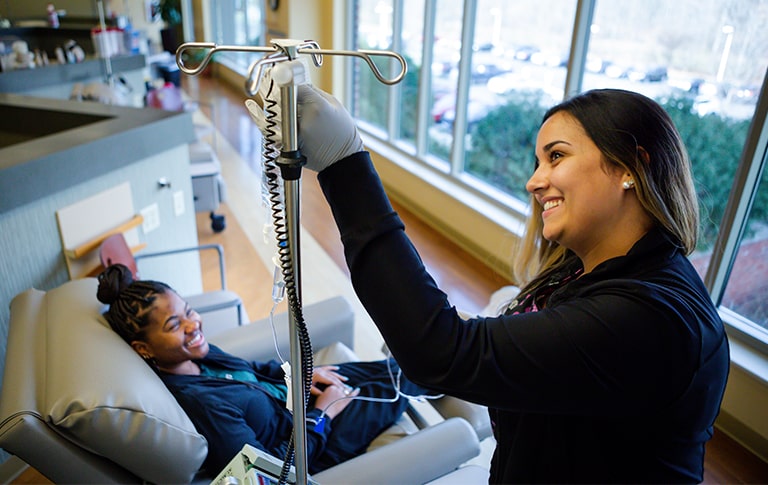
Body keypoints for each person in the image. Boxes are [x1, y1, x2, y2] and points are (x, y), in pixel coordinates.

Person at [246, 85, 730, 483]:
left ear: (628, 167)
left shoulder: (648, 319)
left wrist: (344, 165)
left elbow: (442, 350)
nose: (534, 182)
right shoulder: (594, 270)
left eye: (555, 157)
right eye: (537, 161)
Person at [96, 263, 434, 477]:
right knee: (407, 377)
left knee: (396, 366)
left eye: (188, 310)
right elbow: (271, 472)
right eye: (174, 324)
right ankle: (465, 368)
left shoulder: (198, 356)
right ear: (143, 348)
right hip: (314, 443)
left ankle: (450, 358)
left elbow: (254, 370)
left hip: (299, 401)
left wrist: (301, 376)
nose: (193, 324)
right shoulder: (203, 407)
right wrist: (323, 414)